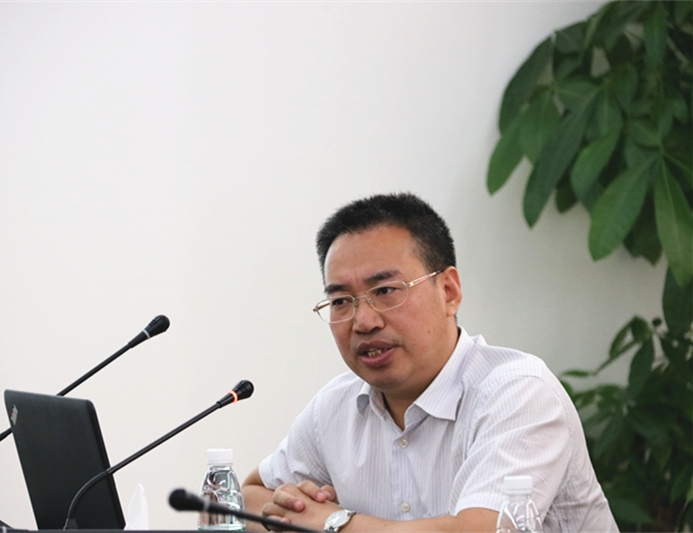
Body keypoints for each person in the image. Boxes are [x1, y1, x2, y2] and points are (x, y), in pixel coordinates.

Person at [242, 193, 617, 533]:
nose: (364, 321)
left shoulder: (519, 391)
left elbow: (482, 531)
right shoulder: (336, 407)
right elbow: (247, 497)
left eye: (385, 291)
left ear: (449, 292)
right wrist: (293, 511)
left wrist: (335, 523)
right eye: (341, 301)